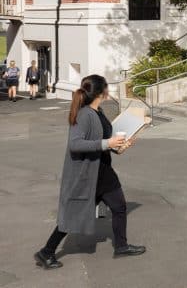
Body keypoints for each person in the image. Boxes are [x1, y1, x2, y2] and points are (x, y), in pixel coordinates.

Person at [34, 74, 146, 270]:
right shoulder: (85, 114)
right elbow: (75, 144)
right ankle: (46, 252)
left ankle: (121, 246)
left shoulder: (98, 111)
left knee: (119, 207)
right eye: (107, 88)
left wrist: (119, 146)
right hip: (87, 174)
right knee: (74, 215)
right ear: (102, 92)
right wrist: (107, 143)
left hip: (102, 170)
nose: (108, 91)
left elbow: (103, 139)